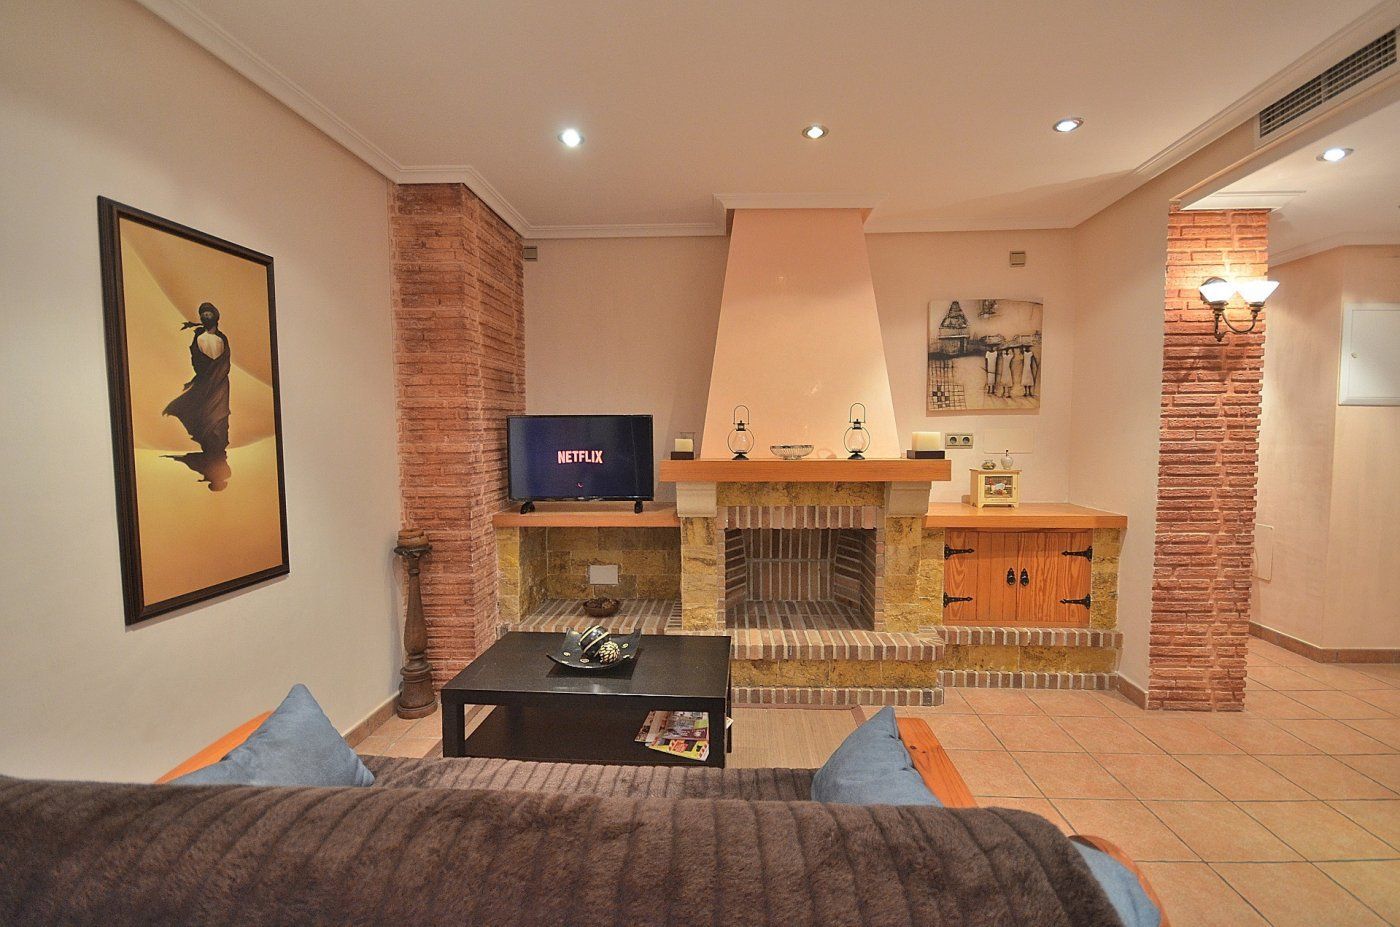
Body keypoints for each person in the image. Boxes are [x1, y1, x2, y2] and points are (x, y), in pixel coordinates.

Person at [163, 302, 232, 470]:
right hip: (205, 383)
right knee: (206, 415)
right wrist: (205, 376)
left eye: (209, 314)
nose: (206, 317)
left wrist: (216, 374)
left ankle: (218, 453)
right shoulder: (199, 338)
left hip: (221, 384)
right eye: (203, 315)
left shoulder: (222, 338)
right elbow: (196, 360)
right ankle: (211, 452)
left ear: (215, 316)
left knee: (221, 415)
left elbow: (225, 362)